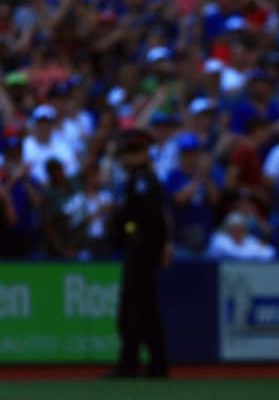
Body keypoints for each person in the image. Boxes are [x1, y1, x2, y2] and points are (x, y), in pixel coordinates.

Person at [106, 129, 171, 378]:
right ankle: (154, 364)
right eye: (126, 153)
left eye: (133, 153)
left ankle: (134, 365)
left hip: (142, 253)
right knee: (142, 311)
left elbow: (150, 218)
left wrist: (135, 235)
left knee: (135, 312)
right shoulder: (133, 179)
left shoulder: (144, 180)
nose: (127, 158)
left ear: (144, 154)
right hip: (138, 251)